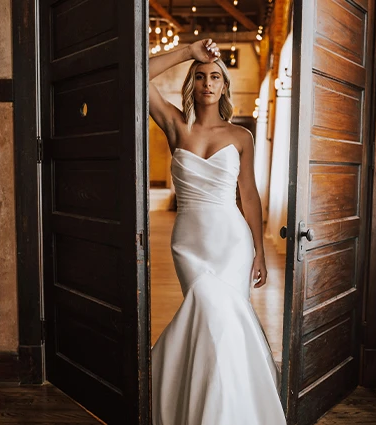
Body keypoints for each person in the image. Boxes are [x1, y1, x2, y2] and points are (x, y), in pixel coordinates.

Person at [146, 38, 287, 424]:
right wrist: (189, 52)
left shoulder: (241, 137)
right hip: (189, 244)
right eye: (201, 77)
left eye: (215, 77)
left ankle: (224, 412)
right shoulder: (175, 125)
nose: (208, 83)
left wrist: (259, 250)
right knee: (207, 316)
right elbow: (136, 72)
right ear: (192, 84)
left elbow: (250, 196)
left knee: (223, 321)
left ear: (225, 86)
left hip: (232, 243)